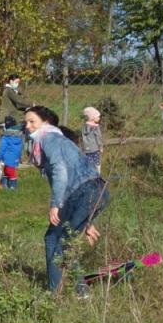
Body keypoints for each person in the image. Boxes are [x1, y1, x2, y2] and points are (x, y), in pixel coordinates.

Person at [25, 106, 110, 294]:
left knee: (56, 241)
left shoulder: (48, 138)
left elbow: (60, 171)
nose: (28, 126)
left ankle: (58, 293)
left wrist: (55, 205)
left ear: (45, 122)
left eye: (32, 121)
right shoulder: (60, 140)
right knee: (63, 241)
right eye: (26, 122)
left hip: (82, 194)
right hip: (97, 191)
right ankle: (78, 290)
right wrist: (87, 222)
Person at [0, 117, 24, 190]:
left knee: (9, 171)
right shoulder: (18, 135)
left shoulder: (6, 137)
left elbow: (2, 148)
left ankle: (12, 187)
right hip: (15, 157)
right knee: (8, 170)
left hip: (8, 157)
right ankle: (6, 185)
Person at [79, 107, 103, 172]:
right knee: (97, 163)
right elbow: (98, 137)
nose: (99, 118)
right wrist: (100, 146)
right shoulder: (95, 127)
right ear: (92, 117)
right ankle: (97, 175)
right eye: (97, 116)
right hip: (95, 148)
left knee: (88, 164)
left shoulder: (84, 126)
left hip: (86, 149)